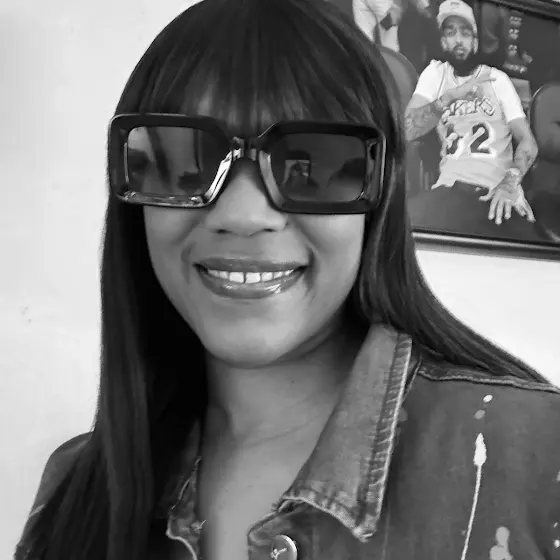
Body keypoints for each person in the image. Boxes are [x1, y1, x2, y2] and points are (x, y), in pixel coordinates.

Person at [14, 0, 560, 559]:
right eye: (186, 161)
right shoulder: (72, 489)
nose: (243, 215)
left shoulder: (539, 460)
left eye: (313, 165)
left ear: (379, 198)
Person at [405, 0, 543, 242]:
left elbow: (528, 143)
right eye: (450, 33)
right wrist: (448, 97)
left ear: (476, 41)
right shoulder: (435, 74)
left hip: (497, 192)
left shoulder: (497, 79)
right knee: (398, 235)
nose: (458, 40)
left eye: (465, 33)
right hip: (448, 192)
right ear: (443, 41)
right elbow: (406, 130)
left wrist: (509, 183)